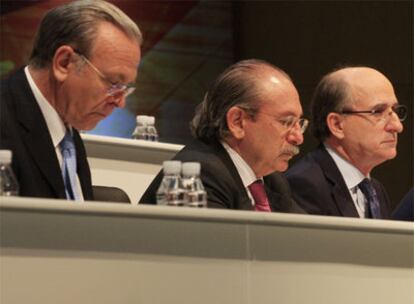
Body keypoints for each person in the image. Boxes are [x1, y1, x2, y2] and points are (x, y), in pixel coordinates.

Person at [0, 0, 142, 201]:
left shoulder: (67, 129)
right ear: (64, 63)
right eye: (113, 83)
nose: (120, 103)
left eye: (125, 89)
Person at [140, 59, 306, 213]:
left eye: (300, 124)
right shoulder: (198, 175)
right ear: (237, 122)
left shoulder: (273, 183)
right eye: (286, 122)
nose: (298, 138)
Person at [285, 66, 406, 219]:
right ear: (337, 125)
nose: (397, 126)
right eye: (378, 112)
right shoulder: (305, 185)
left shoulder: (375, 189)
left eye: (395, 110)